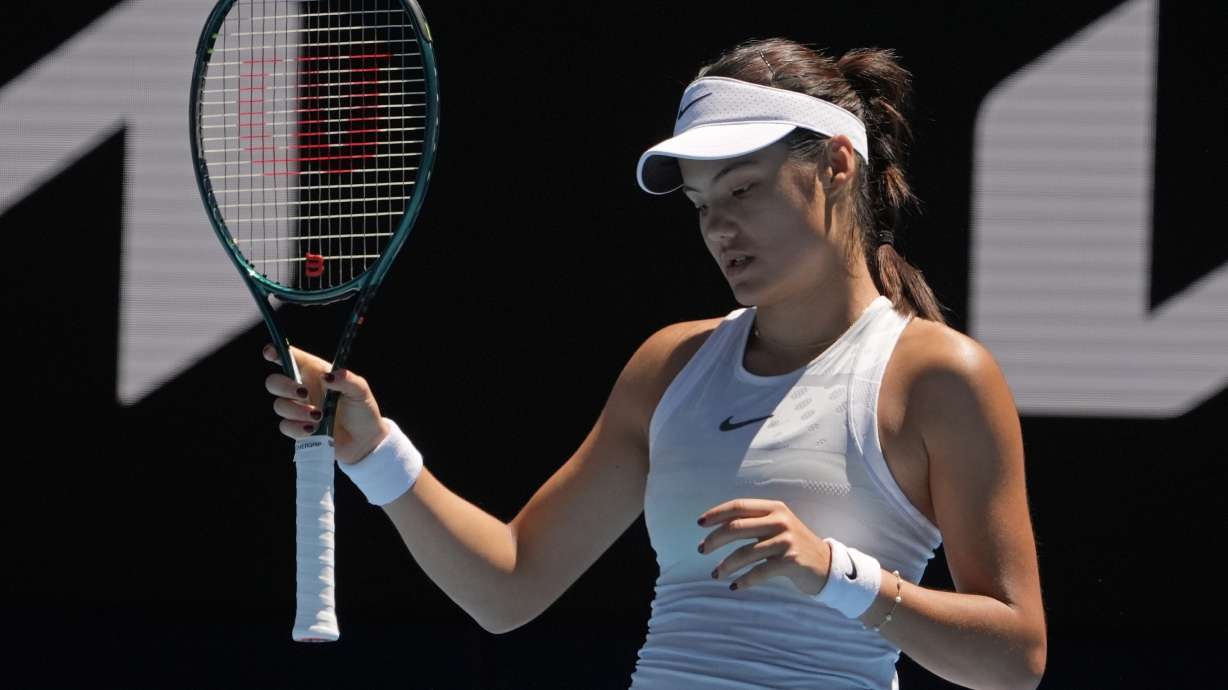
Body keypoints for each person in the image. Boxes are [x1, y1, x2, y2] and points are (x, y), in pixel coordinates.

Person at [262, 37, 1046, 690]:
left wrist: (838, 574)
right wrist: (373, 451)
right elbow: (509, 584)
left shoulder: (940, 377)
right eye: (703, 205)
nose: (720, 229)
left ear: (838, 164)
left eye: (744, 188)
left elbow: (1016, 658)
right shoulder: (670, 366)